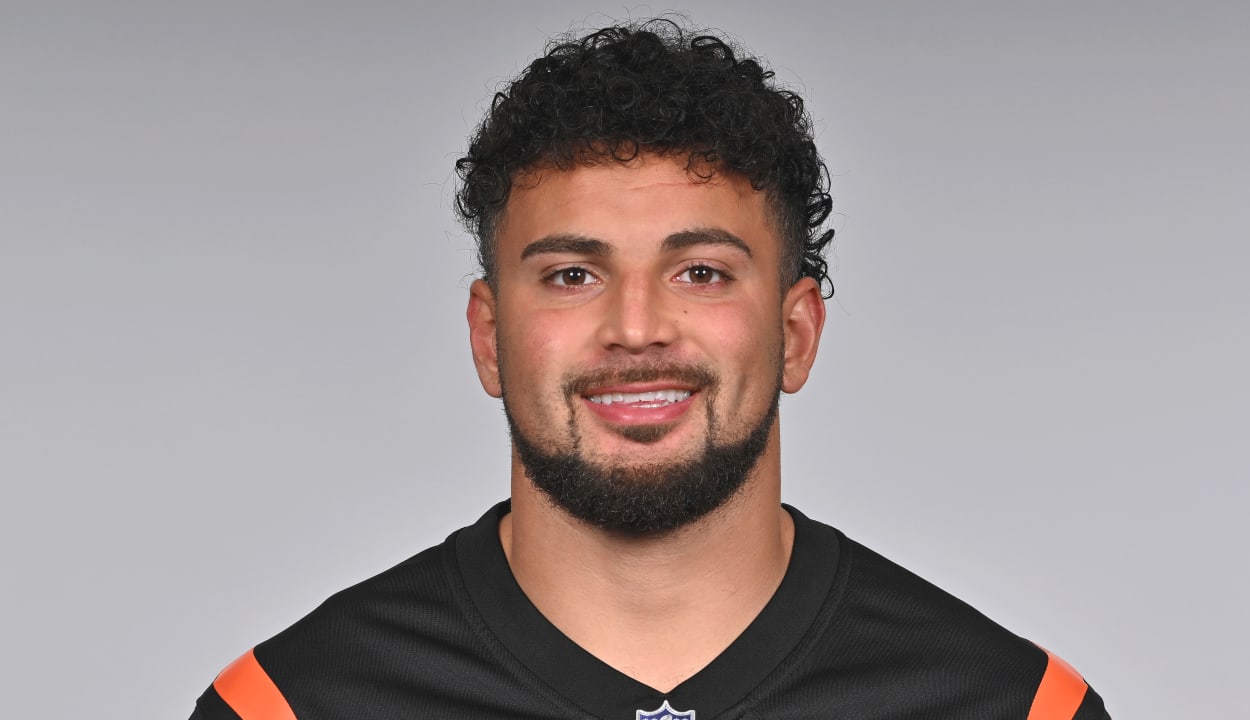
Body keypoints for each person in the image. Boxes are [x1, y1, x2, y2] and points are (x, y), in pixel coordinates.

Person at [190, 19, 1109, 720]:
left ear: (795, 333)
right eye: (572, 275)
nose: (636, 328)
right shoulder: (290, 706)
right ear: (488, 336)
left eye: (700, 272)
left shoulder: (1012, 708)